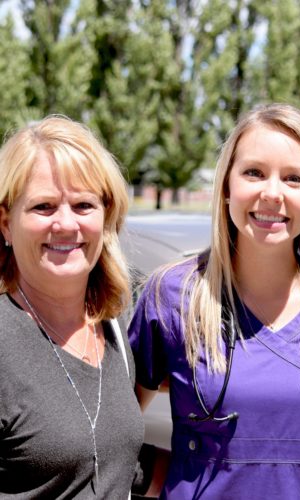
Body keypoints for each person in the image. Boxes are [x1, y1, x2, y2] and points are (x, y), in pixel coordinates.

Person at [128, 103, 300, 499]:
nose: (272, 193)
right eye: (254, 172)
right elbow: (108, 428)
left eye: (294, 179)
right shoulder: (172, 295)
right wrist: (168, 480)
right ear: (226, 186)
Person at [0, 116, 144, 498]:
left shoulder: (115, 326)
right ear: (5, 223)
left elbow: (120, 469)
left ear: (105, 217)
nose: (66, 224)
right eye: (44, 207)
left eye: (83, 205)